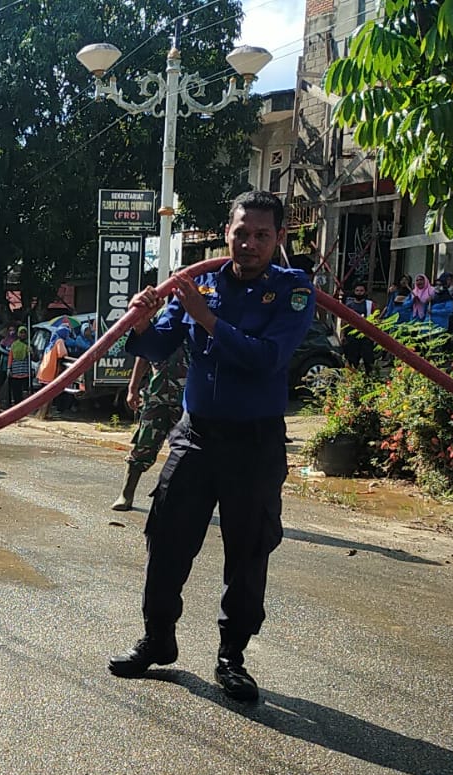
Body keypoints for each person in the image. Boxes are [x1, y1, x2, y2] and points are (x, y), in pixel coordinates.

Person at [108, 190, 314, 703]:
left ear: (279, 238)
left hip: (254, 443)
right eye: (241, 232)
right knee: (166, 539)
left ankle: (232, 658)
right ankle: (158, 640)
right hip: (195, 435)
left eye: (261, 235)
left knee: (247, 552)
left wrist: (206, 318)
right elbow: (158, 345)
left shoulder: (293, 291)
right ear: (228, 231)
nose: (248, 244)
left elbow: (267, 359)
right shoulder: (200, 283)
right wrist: (139, 322)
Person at [111, 347, 184, 511]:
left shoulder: (195, 323)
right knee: (143, 445)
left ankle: (180, 501)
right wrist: (132, 388)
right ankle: (126, 495)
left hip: (186, 400)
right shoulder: (159, 323)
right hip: (156, 397)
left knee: (187, 452)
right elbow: (143, 355)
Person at [341, 282, 378, 374]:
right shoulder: (349, 305)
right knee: (352, 359)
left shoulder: (370, 305)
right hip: (351, 336)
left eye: (361, 291)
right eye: (357, 291)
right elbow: (344, 321)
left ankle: (369, 378)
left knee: (368, 359)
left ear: (365, 292)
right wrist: (342, 335)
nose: (359, 293)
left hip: (366, 336)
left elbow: (376, 320)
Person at [3, 325, 31, 409]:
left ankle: (25, 406)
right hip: (15, 371)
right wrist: (8, 368)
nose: (22, 334)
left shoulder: (29, 344)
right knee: (16, 390)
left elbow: (34, 358)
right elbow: (10, 357)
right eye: (21, 333)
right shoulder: (14, 345)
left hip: (25, 371)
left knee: (25, 390)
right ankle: (16, 406)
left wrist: (31, 351)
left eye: (24, 333)